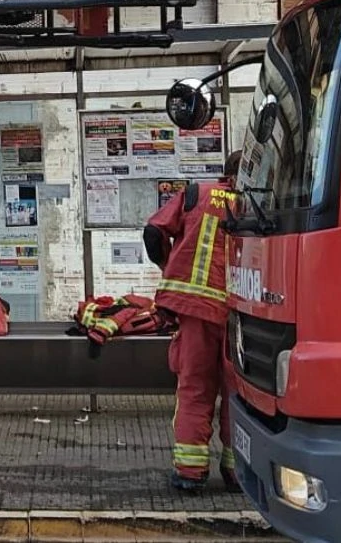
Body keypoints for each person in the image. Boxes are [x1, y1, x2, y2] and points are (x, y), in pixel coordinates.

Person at [143, 151, 243, 494]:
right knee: (240, 393)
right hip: (241, 315)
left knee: (195, 389)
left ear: (224, 173)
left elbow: (154, 232)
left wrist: (170, 266)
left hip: (195, 308)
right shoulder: (258, 204)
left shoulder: (197, 193)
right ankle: (237, 472)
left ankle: (190, 472)